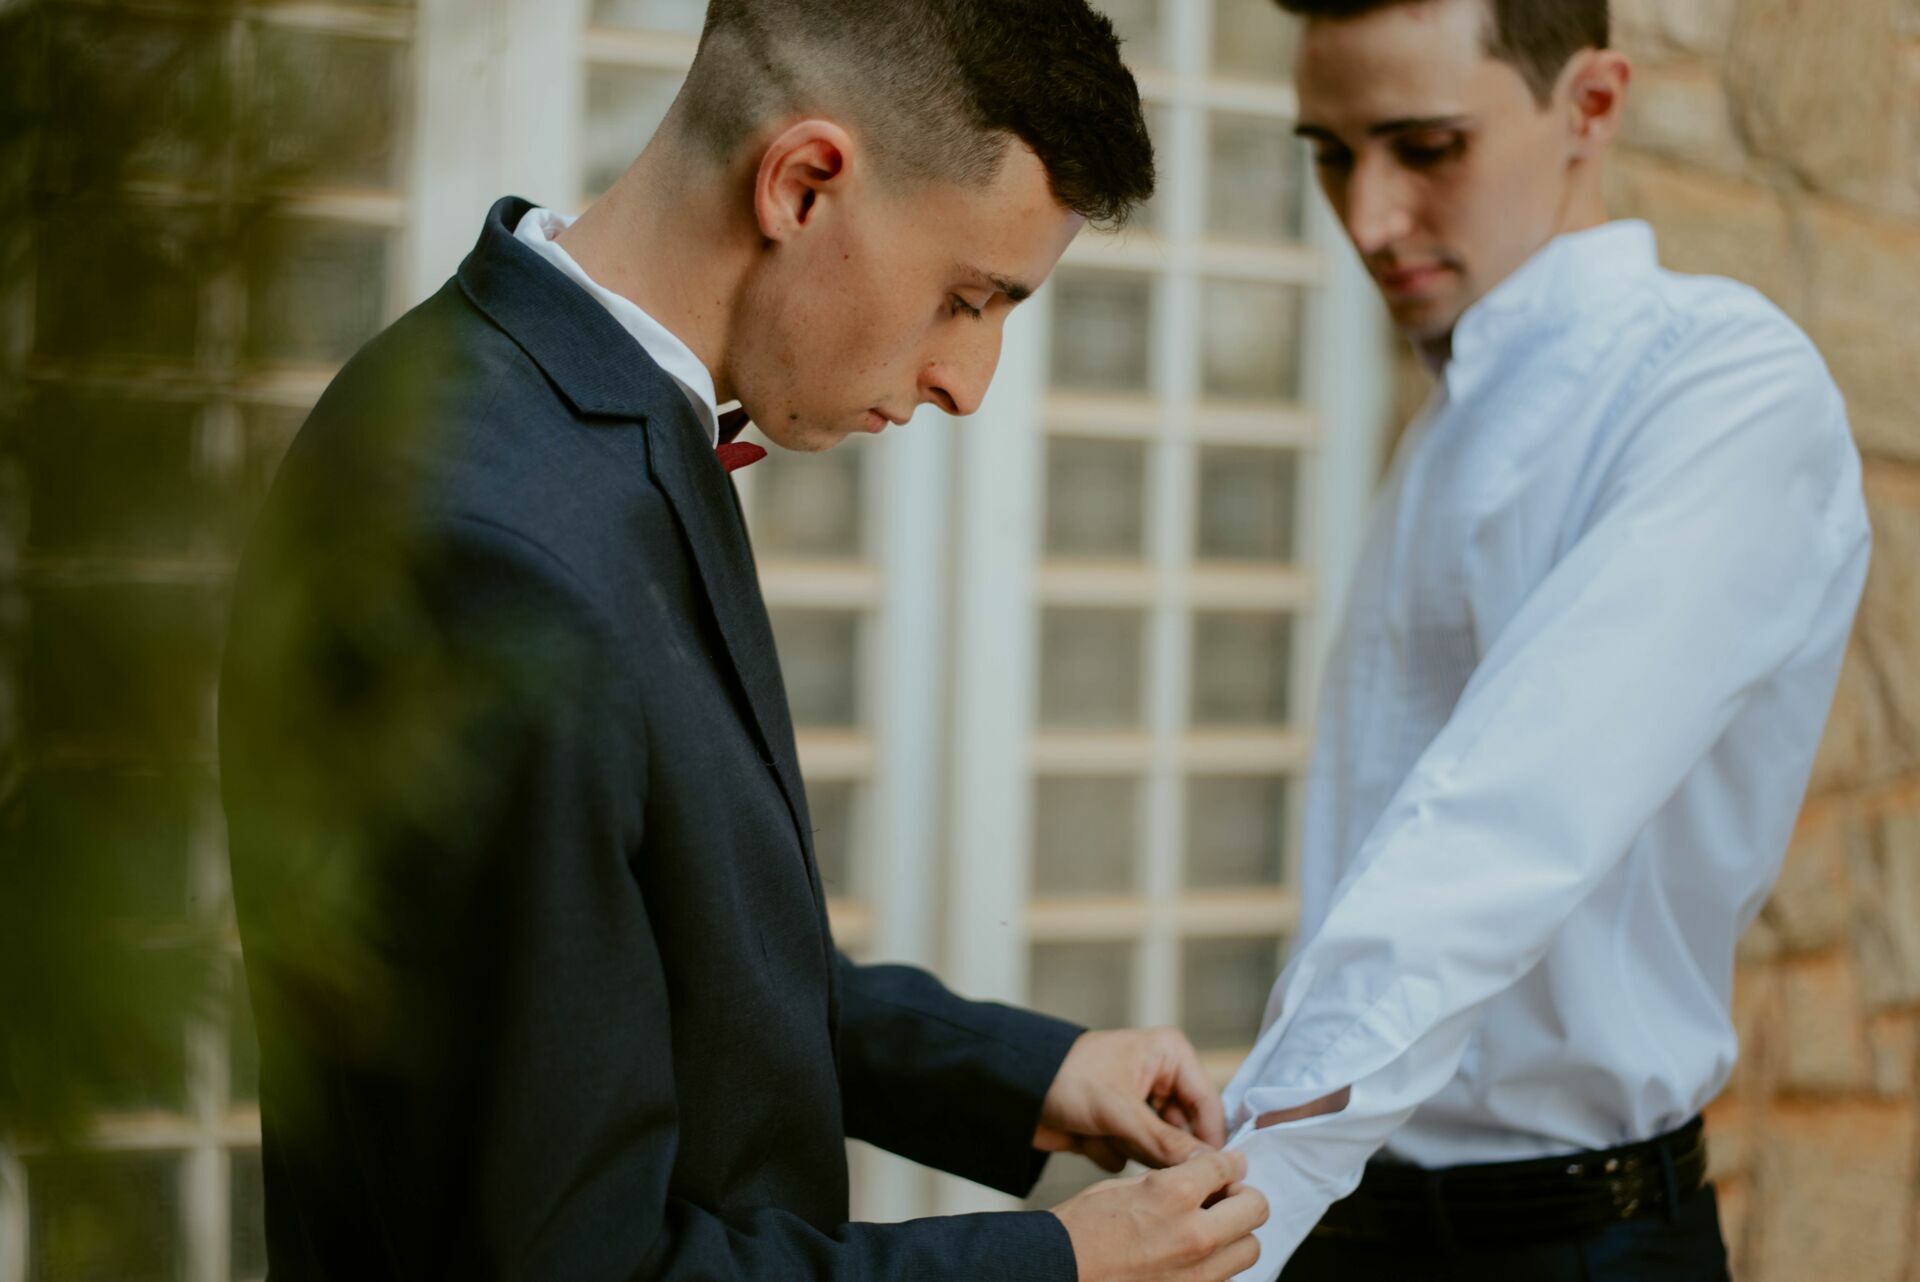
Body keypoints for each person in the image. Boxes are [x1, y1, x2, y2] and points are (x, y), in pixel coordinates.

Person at [218, 2, 1269, 1278]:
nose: (967, 380)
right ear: (804, 181)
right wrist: (1051, 1264)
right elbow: (569, 1260)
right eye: (968, 297)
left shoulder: (569, 415)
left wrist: (1035, 1071)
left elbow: (673, 967)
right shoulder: (484, 544)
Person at [1217, 1, 1872, 1279]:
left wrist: (1248, 1202)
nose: (1367, 218)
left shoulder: (1723, 385)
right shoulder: (1446, 425)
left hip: (1571, 1242)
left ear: (1593, 104)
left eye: (1427, 147)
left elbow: (1506, 819)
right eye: (1331, 152)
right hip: (1364, 1219)